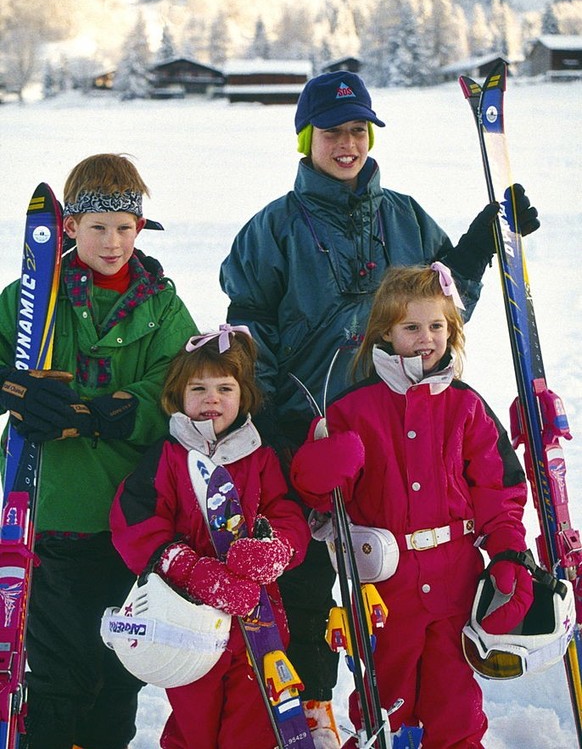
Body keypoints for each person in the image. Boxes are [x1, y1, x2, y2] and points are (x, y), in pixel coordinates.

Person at [218, 70, 539, 746]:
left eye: (358, 130)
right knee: (307, 603)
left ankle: (421, 719)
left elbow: (440, 314)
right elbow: (250, 334)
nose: (347, 143)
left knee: (398, 601)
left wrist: (479, 245)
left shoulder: (404, 215)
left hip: (402, 433)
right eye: (333, 131)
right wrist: (275, 423)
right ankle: (314, 723)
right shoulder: (271, 230)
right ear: (306, 137)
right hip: (307, 439)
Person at [290, 262, 533, 749]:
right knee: (386, 701)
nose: (426, 338)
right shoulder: (352, 409)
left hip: (455, 581)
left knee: (455, 702)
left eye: (437, 326)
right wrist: (317, 471)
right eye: (412, 327)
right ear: (385, 332)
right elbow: (319, 502)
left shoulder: (466, 405)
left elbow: (498, 489)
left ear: (452, 331)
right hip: (384, 589)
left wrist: (508, 550)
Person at [0, 154, 198, 749]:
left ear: (141, 229)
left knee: (118, 676)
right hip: (51, 513)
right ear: (69, 228)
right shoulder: (32, 295)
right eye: (97, 227)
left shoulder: (161, 304)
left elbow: (181, 381)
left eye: (124, 227)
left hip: (130, 519)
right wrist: (17, 390)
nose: (112, 242)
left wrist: (123, 408)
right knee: (59, 676)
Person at [109, 324, 311, 749]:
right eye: (198, 389)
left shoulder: (260, 456)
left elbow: (288, 514)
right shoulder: (167, 457)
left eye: (225, 388)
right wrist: (186, 566)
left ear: (244, 396)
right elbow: (135, 521)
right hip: (188, 624)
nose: (212, 399)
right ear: (179, 396)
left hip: (257, 625)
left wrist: (276, 549)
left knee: (252, 726)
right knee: (194, 725)